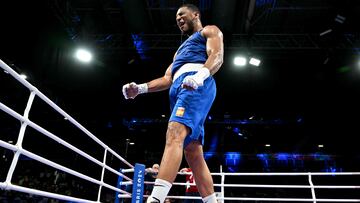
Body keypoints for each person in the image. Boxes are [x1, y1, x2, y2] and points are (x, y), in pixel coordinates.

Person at [122, 3, 223, 203]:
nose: (177, 19)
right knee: (192, 151)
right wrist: (139, 88)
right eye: (176, 17)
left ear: (195, 14)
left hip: (196, 84)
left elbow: (217, 56)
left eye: (181, 14)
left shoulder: (209, 31)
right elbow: (167, 79)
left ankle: (155, 200)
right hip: (178, 88)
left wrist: (200, 76)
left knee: (175, 132)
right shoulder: (178, 53)